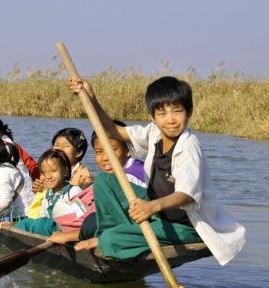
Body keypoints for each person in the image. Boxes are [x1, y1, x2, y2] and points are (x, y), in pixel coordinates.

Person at [67, 76, 245, 266]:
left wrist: (151, 207)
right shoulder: (154, 132)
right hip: (158, 213)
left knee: (111, 242)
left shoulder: (188, 147)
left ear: (189, 112)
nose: (170, 120)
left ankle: (111, 238)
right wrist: (91, 98)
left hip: (185, 226)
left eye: (177, 111)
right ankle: (114, 232)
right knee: (104, 181)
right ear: (152, 117)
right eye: (162, 114)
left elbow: (186, 195)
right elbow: (114, 131)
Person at [47, 121, 146, 247]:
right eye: (99, 152)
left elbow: (114, 220)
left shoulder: (128, 177)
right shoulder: (133, 167)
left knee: (90, 223)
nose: (105, 158)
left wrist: (68, 236)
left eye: (112, 150)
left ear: (129, 150)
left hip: (132, 230)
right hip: (122, 224)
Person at [2, 149, 83, 236]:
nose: (48, 176)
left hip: (66, 230)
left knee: (37, 224)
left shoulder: (74, 191)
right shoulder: (48, 194)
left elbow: (81, 219)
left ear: (66, 171)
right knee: (36, 222)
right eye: (43, 173)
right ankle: (16, 225)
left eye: (53, 171)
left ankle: (16, 226)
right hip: (51, 231)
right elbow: (43, 216)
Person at [28, 128, 92, 218]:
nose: (59, 149)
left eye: (65, 146)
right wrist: (39, 190)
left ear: (79, 152)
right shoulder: (49, 170)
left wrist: (47, 188)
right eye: (56, 145)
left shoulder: (84, 177)